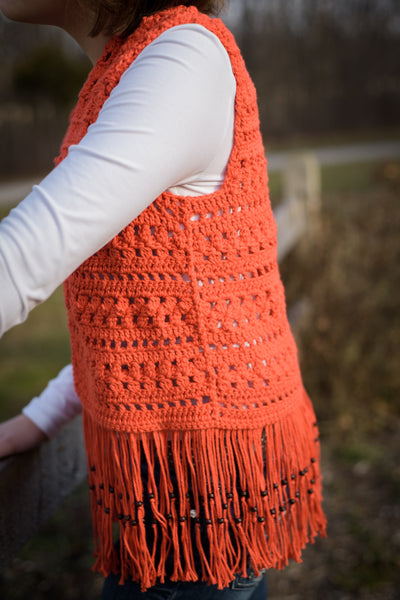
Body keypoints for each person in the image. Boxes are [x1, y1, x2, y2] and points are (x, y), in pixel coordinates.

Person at [0, 1, 327, 598]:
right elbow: (147, 319)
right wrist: (44, 415)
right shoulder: (137, 65)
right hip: (185, 472)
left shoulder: (181, 59)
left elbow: (22, 260)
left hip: (198, 479)